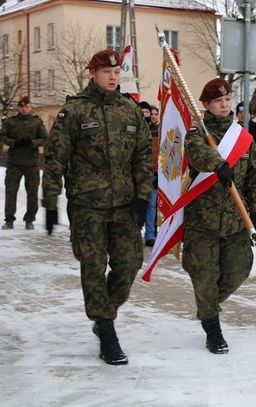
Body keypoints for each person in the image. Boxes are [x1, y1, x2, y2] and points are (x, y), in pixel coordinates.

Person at [42, 49, 153, 365]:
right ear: (92, 73)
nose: (113, 76)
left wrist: (143, 197)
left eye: (116, 71)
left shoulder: (130, 112)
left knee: (129, 264)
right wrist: (50, 202)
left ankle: (103, 313)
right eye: (106, 71)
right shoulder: (74, 112)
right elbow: (54, 160)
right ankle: (106, 331)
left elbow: (144, 157)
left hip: (124, 206)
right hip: (87, 206)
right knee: (93, 266)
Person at [182, 78, 256, 354]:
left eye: (228, 99)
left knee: (239, 268)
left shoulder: (242, 137)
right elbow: (197, 154)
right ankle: (212, 327)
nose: (225, 104)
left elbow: (255, 176)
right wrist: (219, 164)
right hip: (202, 221)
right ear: (206, 104)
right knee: (205, 274)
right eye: (218, 100)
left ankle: (208, 306)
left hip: (234, 221)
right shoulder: (196, 132)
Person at [1, 96, 47, 230]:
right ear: (18, 107)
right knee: (11, 192)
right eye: (22, 107)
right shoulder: (11, 122)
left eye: (27, 106)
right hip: (14, 162)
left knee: (32, 193)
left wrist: (32, 143)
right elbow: (2, 136)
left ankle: (29, 220)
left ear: (30, 107)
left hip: (31, 163)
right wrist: (14, 143)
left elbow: (44, 138)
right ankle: (9, 220)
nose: (24, 109)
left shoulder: (36, 122)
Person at [142, 103, 159, 247]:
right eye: (150, 113)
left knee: (153, 206)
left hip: (156, 173)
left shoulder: (161, 131)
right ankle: (148, 232)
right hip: (143, 173)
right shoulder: (143, 130)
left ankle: (151, 233)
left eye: (155, 114)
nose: (153, 116)